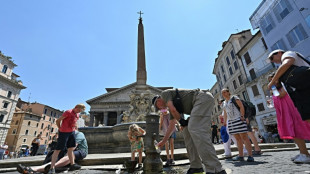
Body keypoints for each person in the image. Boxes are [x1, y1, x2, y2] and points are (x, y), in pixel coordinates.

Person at [153, 88, 226, 174]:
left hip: (202, 98)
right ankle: (196, 166)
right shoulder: (172, 107)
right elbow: (171, 125)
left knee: (195, 128)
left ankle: (215, 168)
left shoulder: (164, 94)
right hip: (196, 105)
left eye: (159, 108)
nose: (161, 109)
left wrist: (181, 121)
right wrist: (164, 141)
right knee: (186, 131)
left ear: (158, 101)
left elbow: (173, 109)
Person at [268, 73, 310, 163]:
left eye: (273, 79)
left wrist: (272, 87)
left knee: (297, 131)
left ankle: (305, 154)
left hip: (292, 111)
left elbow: (281, 95)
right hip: (286, 113)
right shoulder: (277, 89)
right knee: (294, 133)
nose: (272, 82)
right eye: (270, 81)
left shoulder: (284, 84)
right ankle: (303, 153)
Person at [267, 49, 310, 123]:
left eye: (272, 58)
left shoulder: (287, 54)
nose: (272, 61)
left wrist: (273, 81)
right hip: (300, 94)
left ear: (279, 53)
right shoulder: (282, 69)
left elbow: (287, 63)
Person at [17, 131, 88, 174]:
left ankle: (36, 169)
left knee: (70, 155)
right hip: (67, 152)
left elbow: (72, 148)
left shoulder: (79, 134)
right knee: (54, 154)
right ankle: (34, 169)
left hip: (79, 151)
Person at [48, 103, 85, 174]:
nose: (79, 112)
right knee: (58, 149)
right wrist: (60, 129)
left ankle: (72, 165)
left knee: (71, 148)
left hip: (72, 132)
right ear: (76, 107)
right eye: (79, 110)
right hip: (64, 132)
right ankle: (52, 168)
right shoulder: (68, 112)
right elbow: (58, 121)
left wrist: (75, 128)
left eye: (81, 111)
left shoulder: (77, 114)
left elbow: (74, 122)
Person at [221, 88, 254, 162]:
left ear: (229, 92)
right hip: (231, 122)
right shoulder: (224, 103)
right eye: (222, 93)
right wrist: (225, 122)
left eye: (225, 92)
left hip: (238, 119)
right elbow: (225, 112)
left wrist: (242, 116)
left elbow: (241, 106)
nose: (224, 94)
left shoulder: (234, 98)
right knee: (237, 139)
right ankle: (241, 156)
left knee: (244, 137)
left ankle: (250, 156)